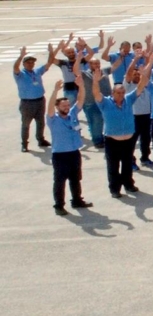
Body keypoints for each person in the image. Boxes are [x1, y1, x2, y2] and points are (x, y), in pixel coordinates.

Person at [92, 60, 142, 198]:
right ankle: (115, 189)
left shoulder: (128, 100)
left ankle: (128, 184)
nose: (121, 95)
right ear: (113, 93)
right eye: (118, 93)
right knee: (113, 166)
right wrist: (95, 81)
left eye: (122, 92)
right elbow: (96, 93)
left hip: (128, 140)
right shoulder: (105, 103)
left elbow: (140, 87)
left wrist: (144, 73)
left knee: (127, 164)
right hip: (112, 140)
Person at [46, 81, 91, 215]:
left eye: (67, 105)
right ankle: (59, 205)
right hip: (60, 155)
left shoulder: (73, 114)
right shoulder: (52, 119)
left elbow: (81, 99)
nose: (66, 107)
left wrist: (82, 86)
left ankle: (77, 200)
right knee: (60, 181)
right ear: (57, 107)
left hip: (74, 153)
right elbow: (49, 107)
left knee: (76, 178)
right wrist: (55, 91)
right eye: (63, 105)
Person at [13, 46, 52, 152]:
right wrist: (21, 56)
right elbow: (15, 67)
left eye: (32, 62)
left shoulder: (37, 71)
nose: (31, 64)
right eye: (28, 62)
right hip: (27, 103)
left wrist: (51, 52)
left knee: (41, 122)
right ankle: (24, 144)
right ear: (24, 64)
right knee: (26, 124)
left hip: (40, 100)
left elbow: (49, 63)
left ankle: (41, 139)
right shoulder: (20, 74)